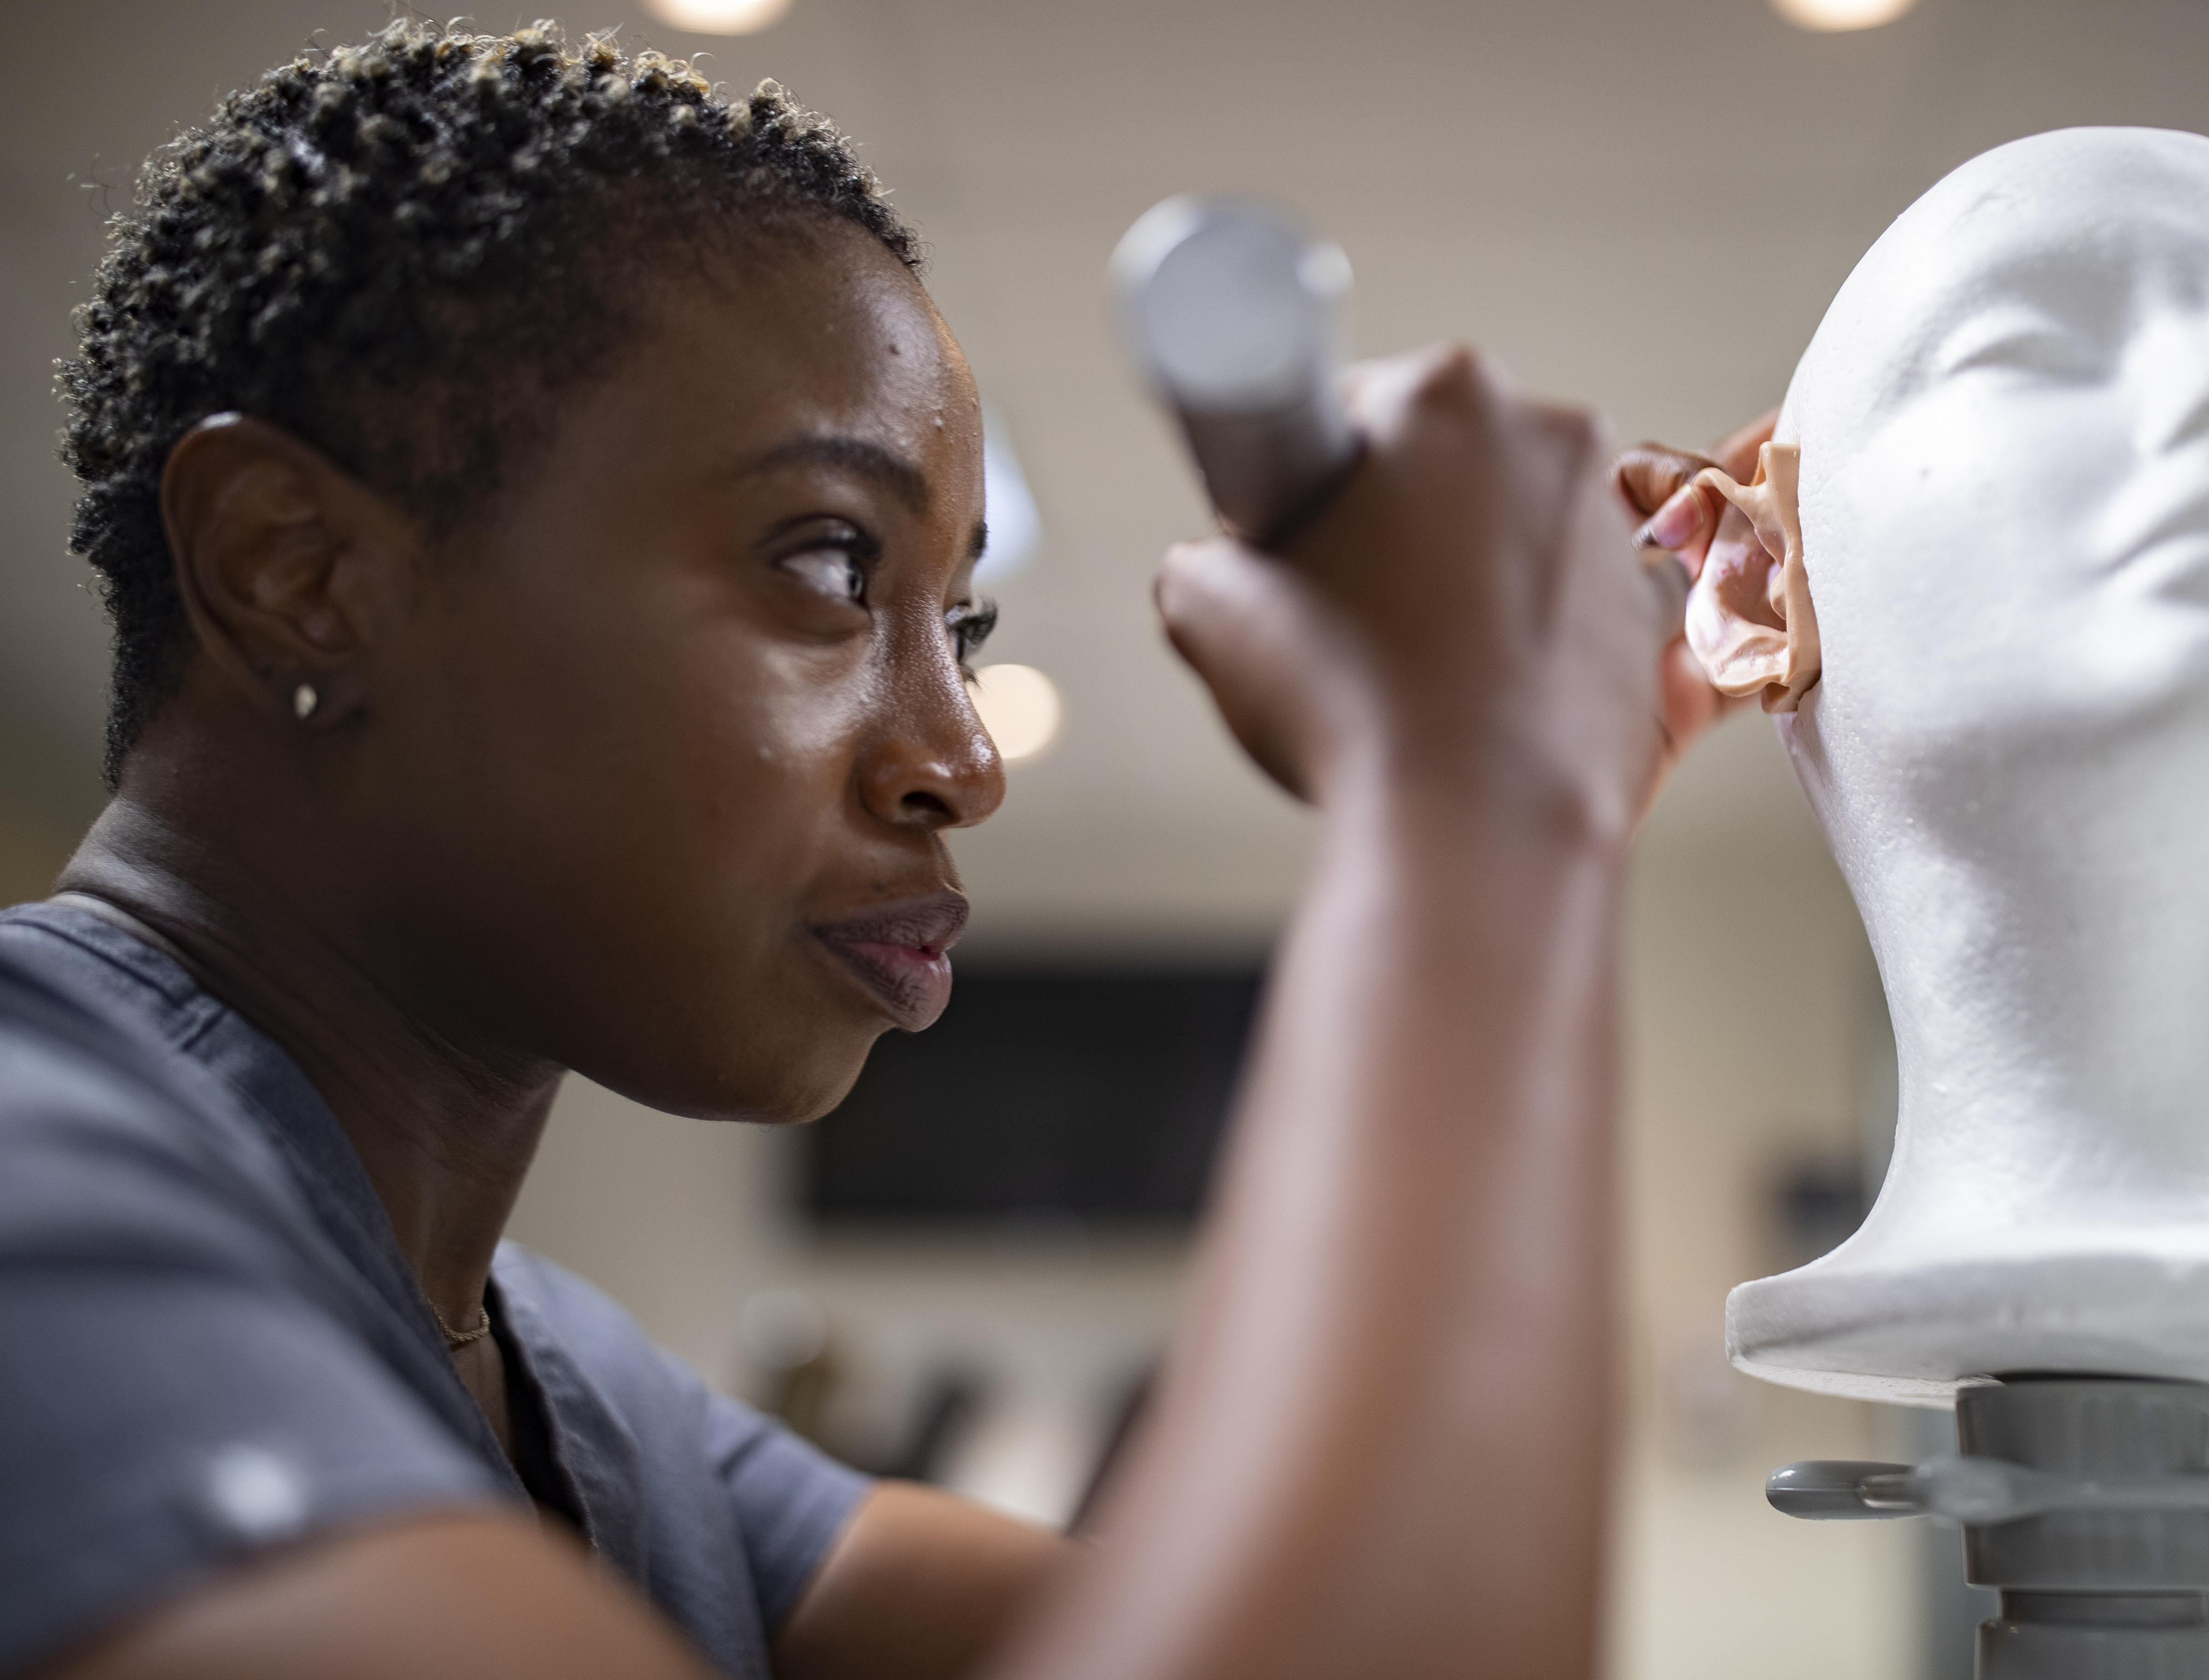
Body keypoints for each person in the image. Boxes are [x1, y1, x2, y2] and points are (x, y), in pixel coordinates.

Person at [0, 21, 1753, 1680]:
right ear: (296, 568)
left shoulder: (590, 1401)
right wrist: (1479, 791)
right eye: (833, 566)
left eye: (962, 628)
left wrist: (1546, 776)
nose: (961, 762)